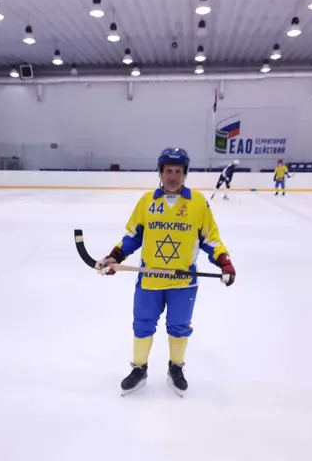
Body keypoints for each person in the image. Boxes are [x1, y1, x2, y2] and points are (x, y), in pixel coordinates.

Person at [98, 147, 236, 396]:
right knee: (142, 325)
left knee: (179, 326)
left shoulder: (197, 203)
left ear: (185, 174)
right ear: (160, 173)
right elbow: (132, 236)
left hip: (183, 281)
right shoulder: (147, 202)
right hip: (149, 280)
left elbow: (211, 239)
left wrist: (224, 262)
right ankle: (139, 368)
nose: (173, 176)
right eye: (168, 171)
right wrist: (115, 257)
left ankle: (176, 367)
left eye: (178, 171)